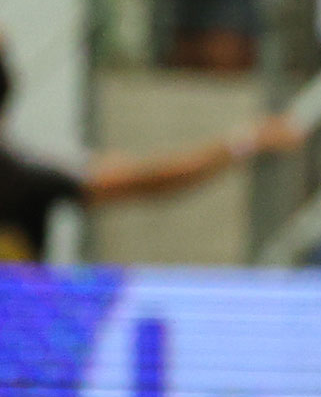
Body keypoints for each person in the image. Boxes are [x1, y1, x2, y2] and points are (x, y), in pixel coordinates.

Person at [0, 42, 302, 261]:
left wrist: (245, 142)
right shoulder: (22, 177)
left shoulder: (23, 177)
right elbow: (146, 180)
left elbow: (141, 179)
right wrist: (244, 141)